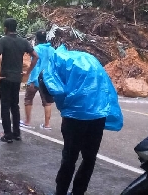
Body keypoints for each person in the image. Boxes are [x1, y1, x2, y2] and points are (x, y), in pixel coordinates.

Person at [42, 45, 123, 195]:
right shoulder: (90, 59)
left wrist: (63, 105)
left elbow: (56, 90)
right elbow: (107, 87)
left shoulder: (56, 61)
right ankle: (78, 192)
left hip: (75, 116)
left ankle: (61, 192)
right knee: (89, 158)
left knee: (69, 158)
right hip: (98, 115)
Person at [0, 18, 38, 143]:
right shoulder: (23, 41)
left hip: (6, 77)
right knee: (15, 105)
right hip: (17, 78)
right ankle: (17, 133)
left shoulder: (3, 40)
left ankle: (7, 135)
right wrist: (28, 72)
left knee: (5, 106)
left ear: (6, 28)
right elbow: (35, 56)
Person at [21, 29, 55, 130]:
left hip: (35, 78)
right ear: (46, 38)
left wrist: (31, 78)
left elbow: (34, 65)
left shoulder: (36, 49)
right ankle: (47, 124)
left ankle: (27, 122)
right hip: (47, 79)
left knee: (28, 99)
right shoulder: (52, 50)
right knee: (47, 102)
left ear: (36, 38)